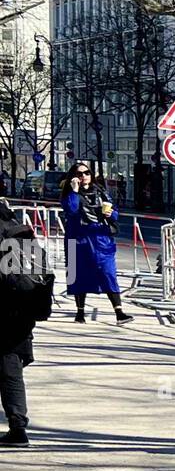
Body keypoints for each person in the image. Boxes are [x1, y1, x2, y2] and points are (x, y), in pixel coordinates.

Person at [60, 162, 132, 324]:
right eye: (79, 174)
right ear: (73, 177)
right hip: (77, 239)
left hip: (100, 238)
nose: (84, 176)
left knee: (108, 272)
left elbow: (115, 214)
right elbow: (71, 210)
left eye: (87, 173)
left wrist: (110, 214)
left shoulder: (101, 192)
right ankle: (80, 312)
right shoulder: (70, 194)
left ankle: (119, 312)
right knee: (78, 274)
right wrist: (74, 190)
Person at [0, 200, 45, 448]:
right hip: (23, 310)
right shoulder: (19, 227)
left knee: (9, 370)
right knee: (11, 370)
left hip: (5, 308)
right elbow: (41, 264)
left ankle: (18, 429)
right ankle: (18, 428)